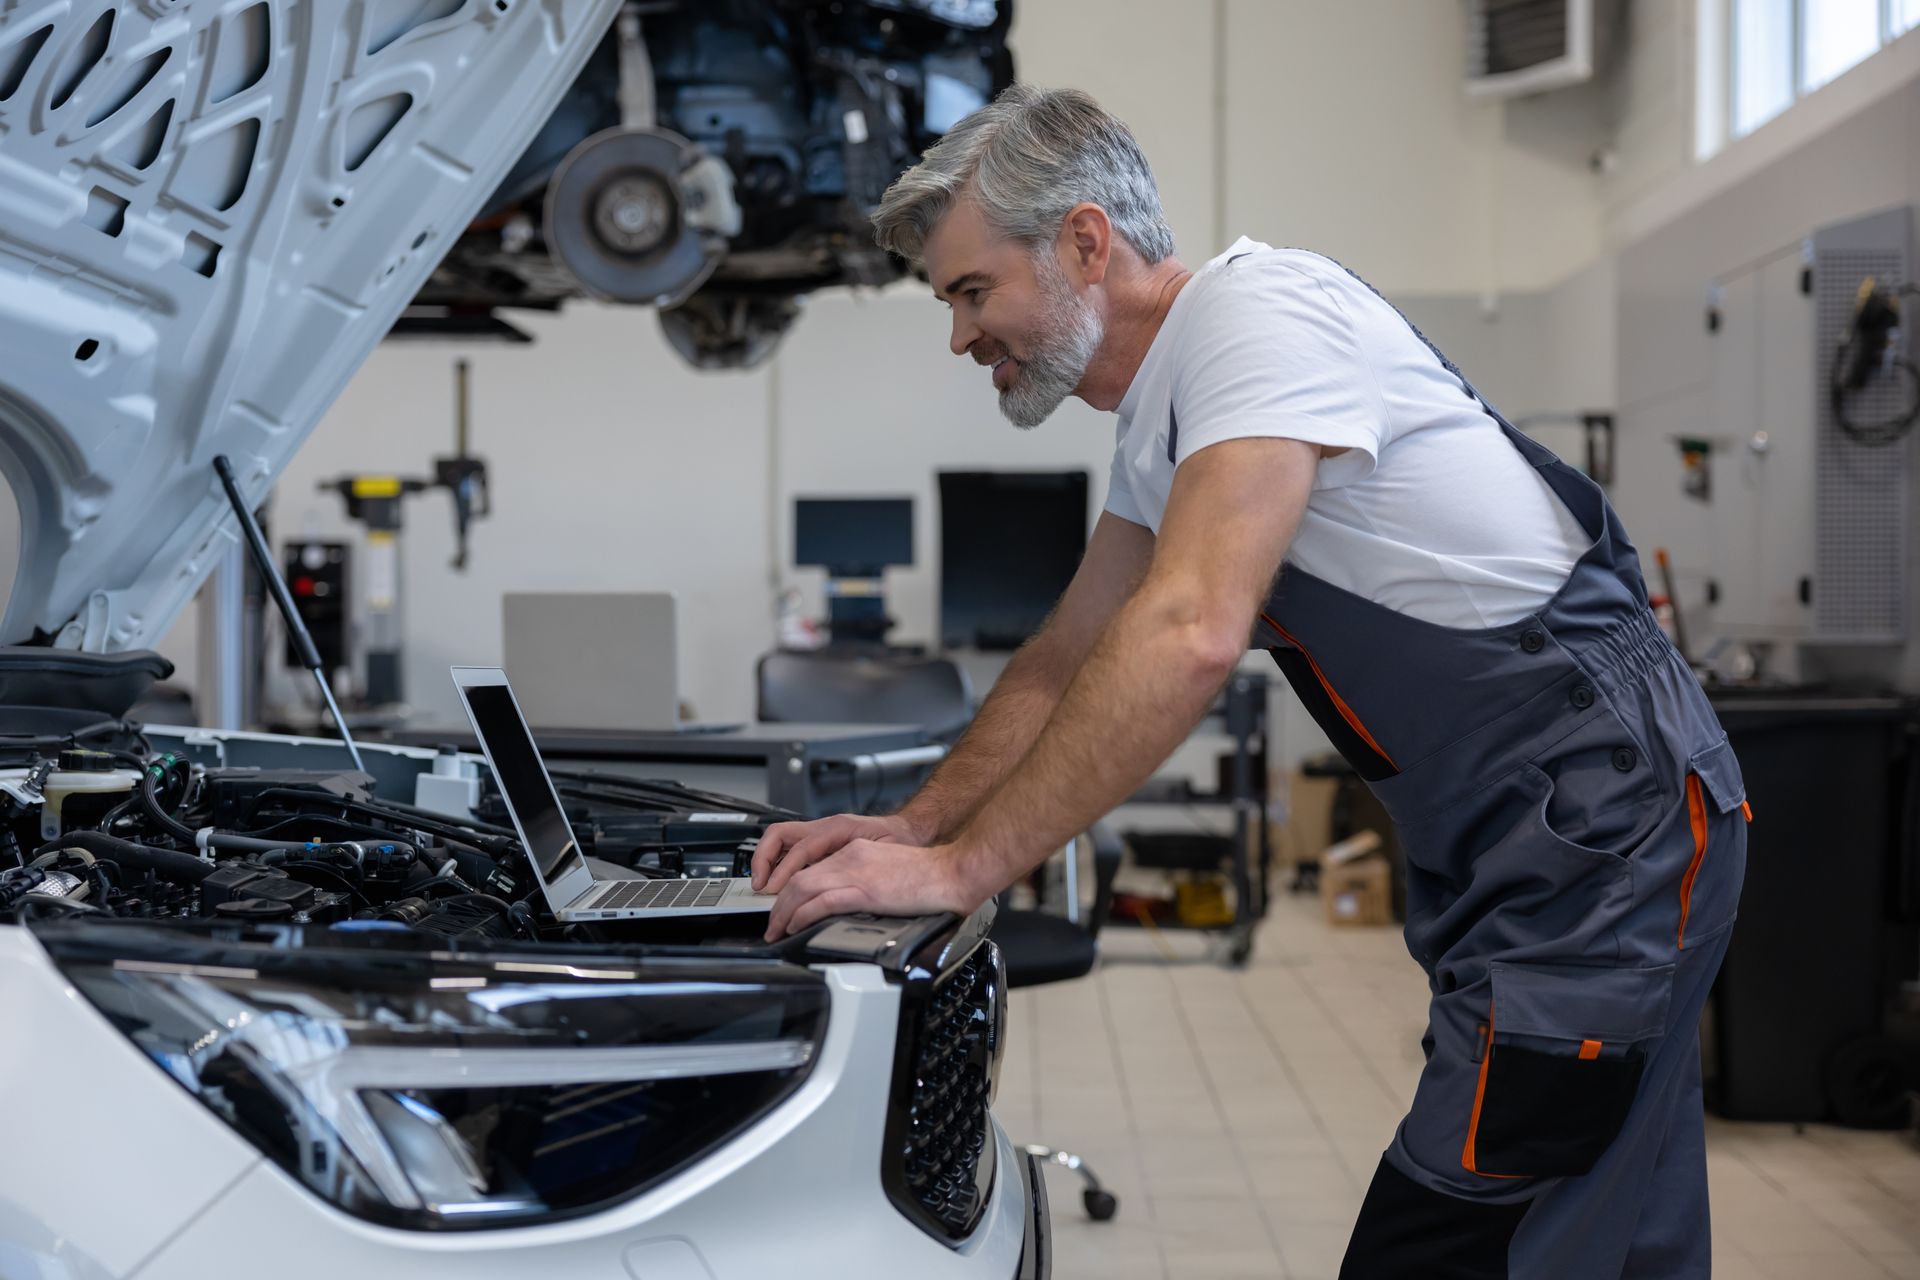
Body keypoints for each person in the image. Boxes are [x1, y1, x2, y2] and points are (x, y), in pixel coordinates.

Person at [750, 84, 1748, 1280]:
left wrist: (965, 869)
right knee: (1612, 1235)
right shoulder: (1162, 421)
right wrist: (917, 825)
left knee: (1464, 1231)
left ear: (1083, 241)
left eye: (972, 291)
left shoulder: (1259, 318)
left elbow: (1187, 631)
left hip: (1604, 848)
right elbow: (1062, 659)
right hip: (1530, 854)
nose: (963, 334)